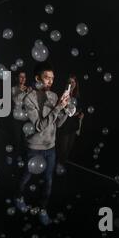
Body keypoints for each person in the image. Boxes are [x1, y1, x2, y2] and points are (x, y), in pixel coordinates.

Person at [15, 62, 70, 226]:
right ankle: (18, 197)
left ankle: (43, 209)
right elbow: (39, 126)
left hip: (50, 148)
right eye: (47, 78)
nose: (50, 82)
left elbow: (58, 124)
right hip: (34, 148)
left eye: (52, 78)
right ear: (38, 78)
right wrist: (58, 108)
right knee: (26, 175)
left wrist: (65, 110)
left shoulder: (53, 96)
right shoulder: (29, 98)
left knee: (48, 180)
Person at [56, 75, 84, 173]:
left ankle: (62, 166)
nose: (71, 84)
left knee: (69, 148)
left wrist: (80, 114)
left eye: (73, 82)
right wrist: (67, 110)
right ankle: (58, 166)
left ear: (76, 84)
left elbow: (80, 109)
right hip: (65, 124)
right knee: (62, 148)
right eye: (70, 82)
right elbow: (60, 107)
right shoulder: (65, 94)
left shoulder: (78, 95)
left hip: (73, 125)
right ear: (67, 83)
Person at [11, 72, 33, 161]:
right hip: (16, 118)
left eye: (24, 77)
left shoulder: (29, 89)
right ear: (17, 78)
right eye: (21, 77)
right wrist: (25, 92)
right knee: (17, 139)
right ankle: (16, 158)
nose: (23, 79)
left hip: (26, 118)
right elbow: (16, 101)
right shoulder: (13, 89)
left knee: (26, 140)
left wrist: (30, 93)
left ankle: (25, 159)